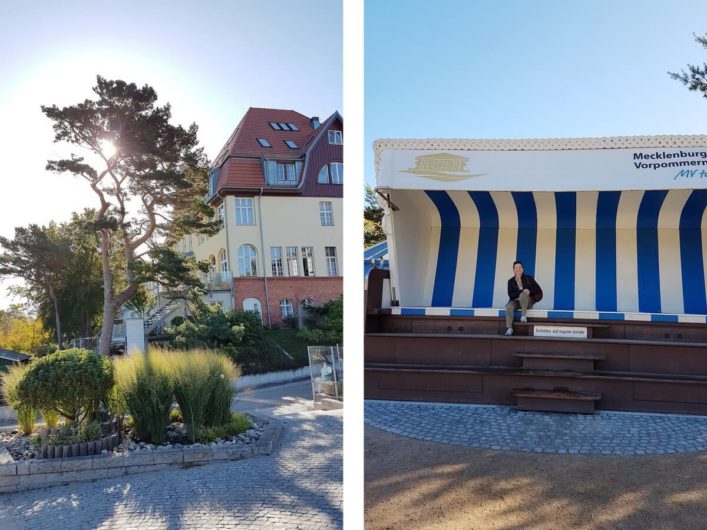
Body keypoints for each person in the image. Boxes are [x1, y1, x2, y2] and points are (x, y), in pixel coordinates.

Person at [505, 260, 542, 336]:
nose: (518, 269)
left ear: (523, 269)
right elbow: (511, 295)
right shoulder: (510, 281)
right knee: (509, 307)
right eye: (516, 267)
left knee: (522, 295)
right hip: (516, 302)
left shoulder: (529, 278)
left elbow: (538, 289)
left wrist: (529, 291)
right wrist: (521, 290)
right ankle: (509, 328)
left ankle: (523, 316)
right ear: (513, 270)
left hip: (528, 301)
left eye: (520, 267)